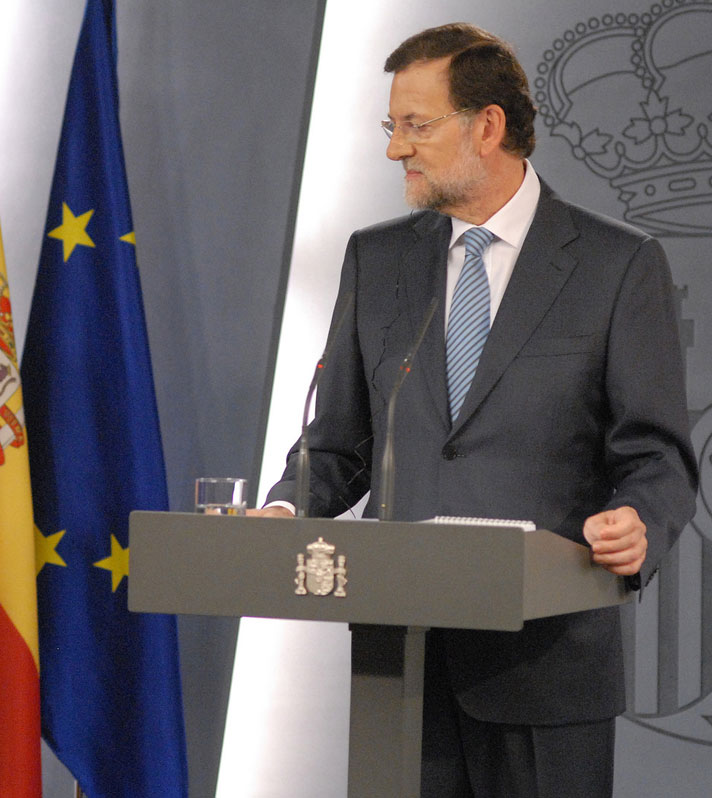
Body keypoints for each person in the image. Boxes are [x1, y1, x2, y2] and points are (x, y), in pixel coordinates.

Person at [257, 23, 698, 797]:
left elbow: (657, 458)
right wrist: (287, 507)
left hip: (547, 669)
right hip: (401, 665)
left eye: (416, 125)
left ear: (487, 126)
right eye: (391, 125)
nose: (395, 147)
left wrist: (640, 522)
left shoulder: (617, 266)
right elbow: (336, 446)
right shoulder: (378, 259)